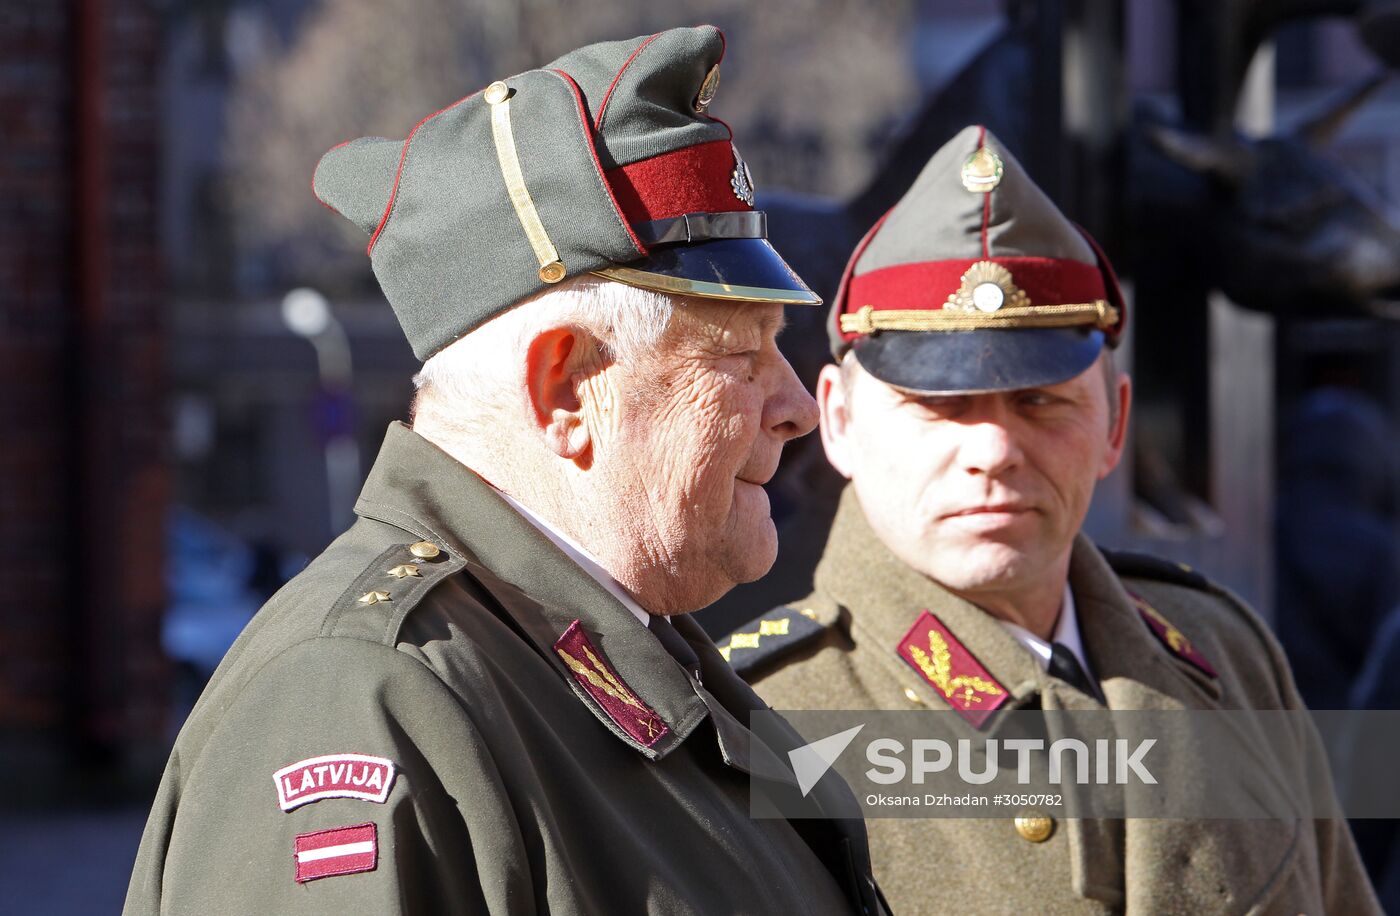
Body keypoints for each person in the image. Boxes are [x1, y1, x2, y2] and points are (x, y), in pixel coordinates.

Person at [124, 27, 887, 915]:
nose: (794, 406)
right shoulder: (368, 694)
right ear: (563, 389)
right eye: (736, 355)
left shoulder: (603, 648)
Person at [721, 125, 1379, 913]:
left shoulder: (1226, 654)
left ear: (1114, 425)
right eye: (940, 406)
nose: (995, 450)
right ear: (839, 422)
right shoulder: (764, 722)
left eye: (1041, 401)